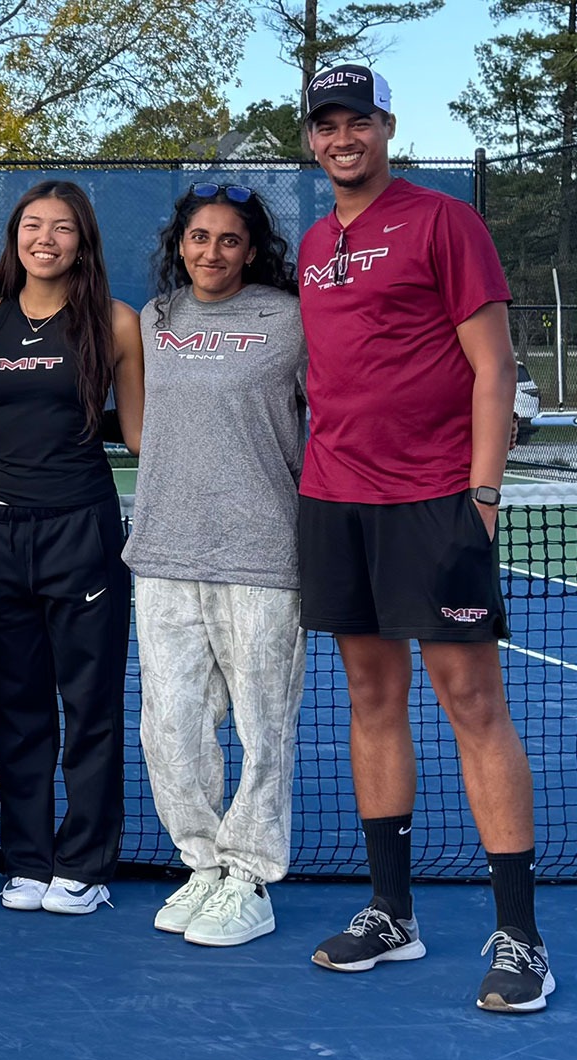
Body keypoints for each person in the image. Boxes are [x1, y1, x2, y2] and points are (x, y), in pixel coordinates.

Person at [295, 64, 550, 1011]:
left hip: (435, 500)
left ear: (386, 126)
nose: (340, 138)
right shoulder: (316, 241)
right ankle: (391, 914)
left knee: (471, 700)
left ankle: (520, 937)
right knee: (369, 695)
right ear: (313, 141)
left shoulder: (447, 222)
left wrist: (481, 495)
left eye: (355, 120)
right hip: (334, 500)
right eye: (325, 126)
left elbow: (494, 367)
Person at [0, 180, 144, 916]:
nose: (46, 238)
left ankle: (86, 863)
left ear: (82, 241)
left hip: (84, 532)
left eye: (62, 228)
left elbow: (140, 437)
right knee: (15, 705)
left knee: (89, 705)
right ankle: (27, 858)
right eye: (33, 225)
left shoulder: (117, 323)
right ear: (15, 238)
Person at [127, 183, 307, 947]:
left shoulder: (292, 319)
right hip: (163, 551)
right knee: (169, 726)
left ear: (253, 250)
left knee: (265, 728)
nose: (211, 252)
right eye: (198, 238)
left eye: (229, 240)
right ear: (179, 245)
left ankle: (250, 877)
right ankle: (202, 865)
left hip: (262, 553)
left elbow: (328, 417)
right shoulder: (155, 318)